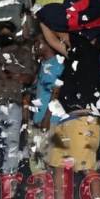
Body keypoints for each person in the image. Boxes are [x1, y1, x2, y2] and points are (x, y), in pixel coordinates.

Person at [39, 23, 100, 199]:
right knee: (58, 164)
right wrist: (42, 17)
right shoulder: (75, 54)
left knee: (87, 167)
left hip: (84, 121)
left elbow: (58, 35)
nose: (69, 40)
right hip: (66, 119)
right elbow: (52, 39)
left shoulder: (89, 54)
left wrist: (48, 15)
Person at [0, 31, 36, 180]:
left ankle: (9, 177)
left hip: (12, 103)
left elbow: (29, 78)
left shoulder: (23, 54)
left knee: (12, 143)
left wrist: (11, 75)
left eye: (7, 30)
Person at [29, 35, 64, 173]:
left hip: (49, 121)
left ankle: (44, 193)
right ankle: (41, 193)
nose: (36, 45)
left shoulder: (58, 65)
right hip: (39, 119)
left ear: (50, 44)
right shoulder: (44, 64)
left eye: (39, 42)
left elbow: (56, 93)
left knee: (43, 162)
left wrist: (47, 118)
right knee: (37, 162)